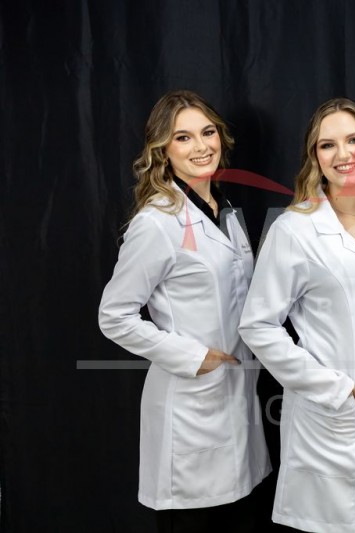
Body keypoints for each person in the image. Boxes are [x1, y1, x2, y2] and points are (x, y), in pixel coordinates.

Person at [238, 97, 355, 533]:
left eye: (354, 140)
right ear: (314, 158)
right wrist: (331, 387)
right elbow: (258, 325)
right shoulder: (295, 229)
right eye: (328, 145)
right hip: (331, 419)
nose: (343, 154)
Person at [98, 90, 270, 532]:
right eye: (183, 137)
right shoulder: (156, 222)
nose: (201, 146)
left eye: (207, 133)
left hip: (238, 402)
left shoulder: (225, 211)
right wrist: (195, 357)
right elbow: (114, 315)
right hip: (191, 405)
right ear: (162, 150)